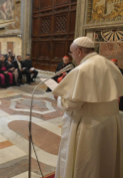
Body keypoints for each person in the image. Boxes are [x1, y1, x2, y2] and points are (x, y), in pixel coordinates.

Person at [52, 37, 123, 178]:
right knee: (105, 161)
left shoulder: (82, 69)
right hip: (110, 123)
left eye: (72, 53)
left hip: (89, 126)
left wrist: (59, 98)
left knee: (88, 165)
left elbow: (71, 104)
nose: (72, 57)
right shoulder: (109, 65)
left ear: (79, 51)